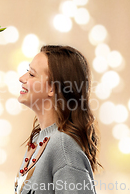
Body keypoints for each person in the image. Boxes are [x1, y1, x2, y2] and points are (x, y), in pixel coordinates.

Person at [14, 45, 101, 194]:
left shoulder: (63, 146)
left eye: (32, 74)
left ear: (52, 88)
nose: (22, 78)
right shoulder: (39, 141)